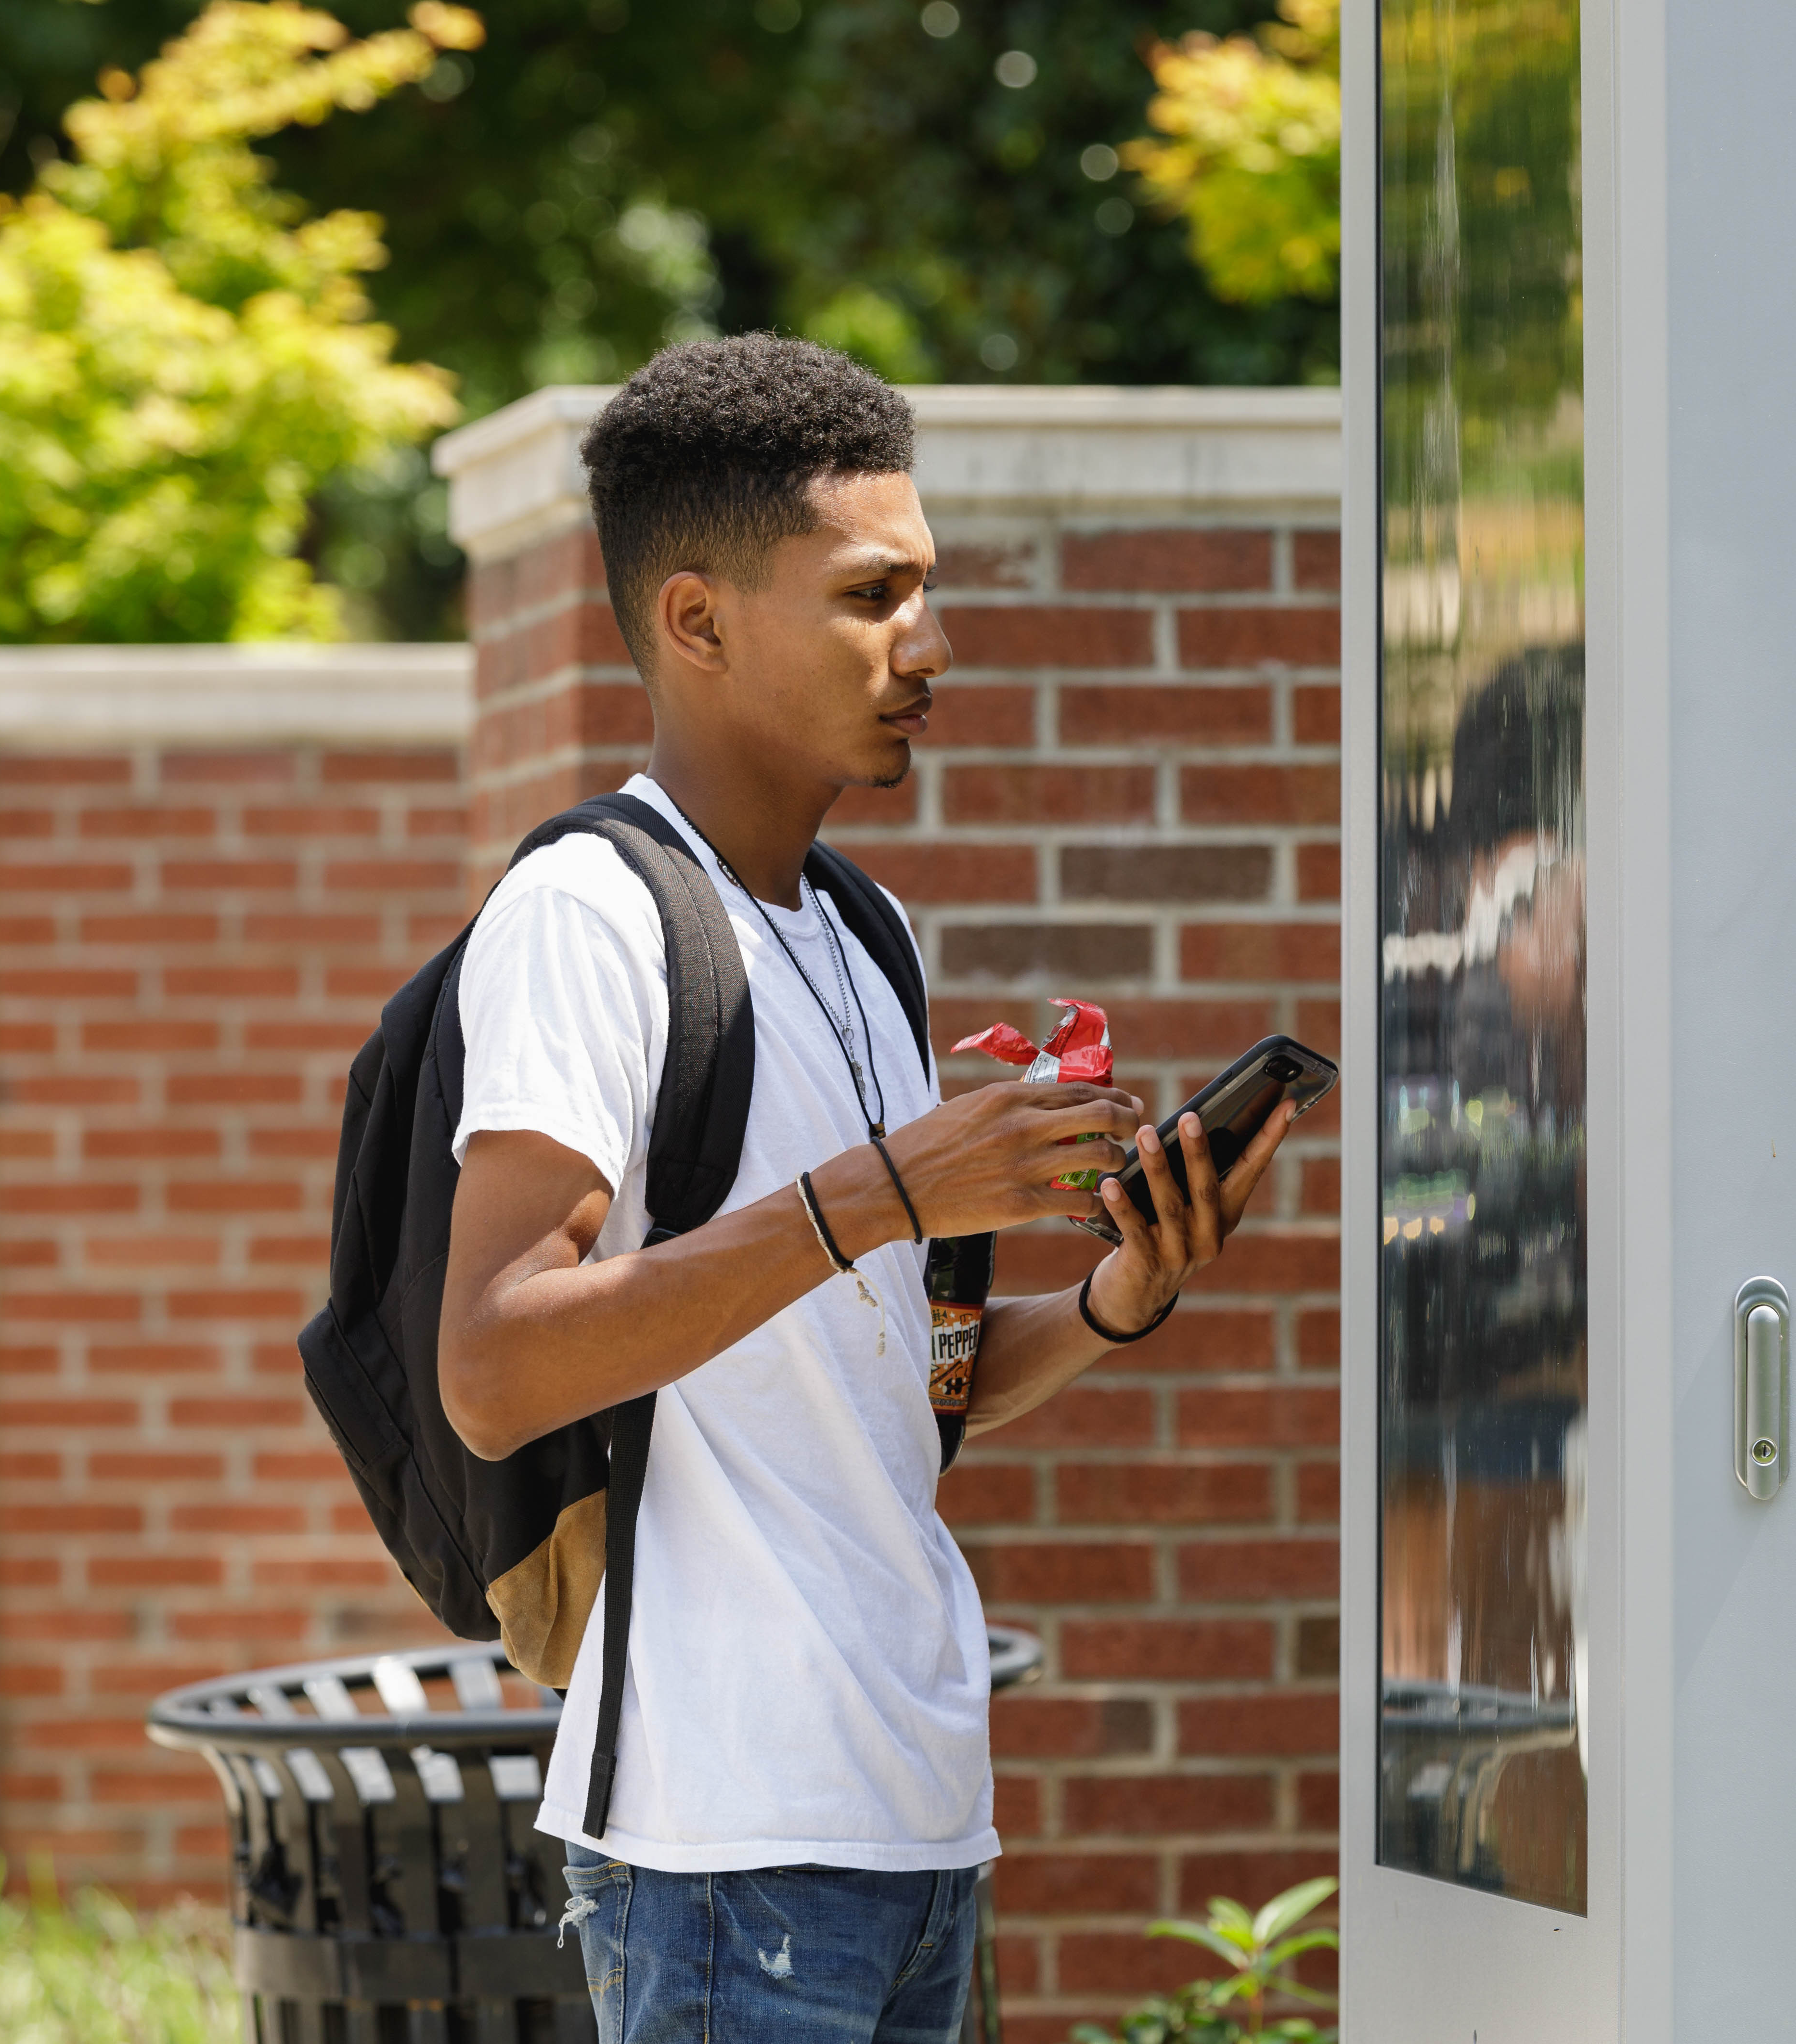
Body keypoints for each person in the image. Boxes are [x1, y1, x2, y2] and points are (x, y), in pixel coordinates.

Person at [435, 334, 1295, 2044]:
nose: (934, 645)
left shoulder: (867, 932)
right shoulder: (588, 918)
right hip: (724, 1853)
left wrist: (1120, 1298)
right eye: (873, 594)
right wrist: (882, 1191)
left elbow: (896, 1396)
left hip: (913, 1813)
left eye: (929, 589)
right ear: (698, 621)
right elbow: (498, 1363)